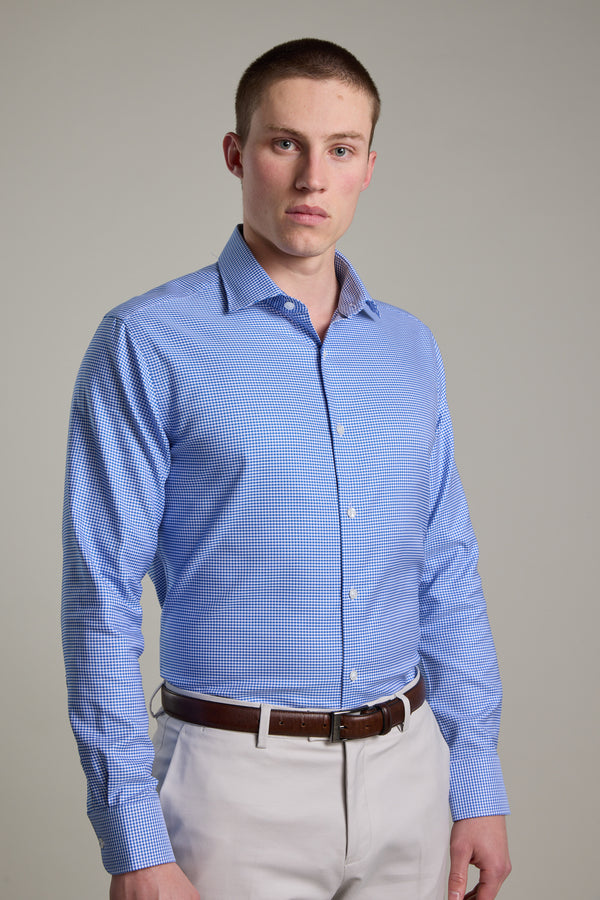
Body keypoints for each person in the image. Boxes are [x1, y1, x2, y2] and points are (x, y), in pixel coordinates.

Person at [62, 38, 511, 900]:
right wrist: (133, 842)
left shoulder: (410, 348)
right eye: (285, 143)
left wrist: (477, 782)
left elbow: (446, 568)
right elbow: (100, 597)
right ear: (237, 153)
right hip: (233, 789)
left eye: (340, 149)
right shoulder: (147, 340)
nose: (312, 177)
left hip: (412, 776)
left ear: (368, 167)